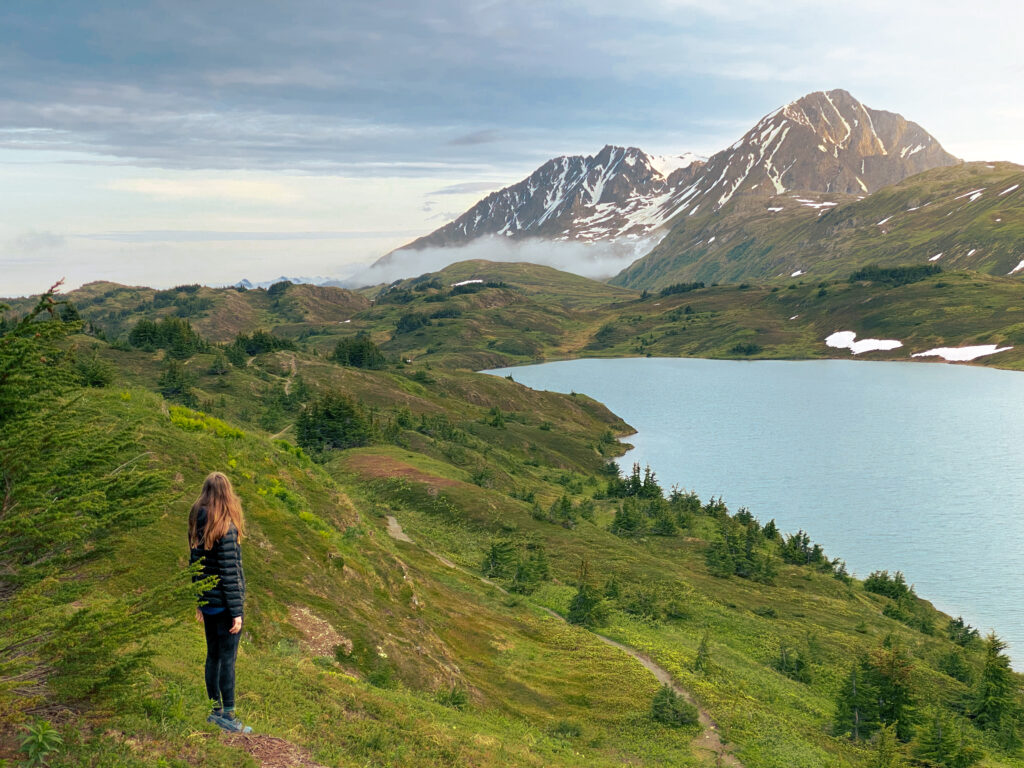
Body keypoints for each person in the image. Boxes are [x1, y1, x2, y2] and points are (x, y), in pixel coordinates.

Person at [188, 471, 252, 733]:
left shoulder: (197, 521)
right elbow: (229, 573)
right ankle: (229, 716)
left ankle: (214, 711)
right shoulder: (225, 526)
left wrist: (200, 601)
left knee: (212, 656)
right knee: (228, 659)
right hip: (225, 605)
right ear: (227, 493)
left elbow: (196, 565)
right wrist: (237, 612)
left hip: (209, 603)